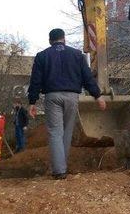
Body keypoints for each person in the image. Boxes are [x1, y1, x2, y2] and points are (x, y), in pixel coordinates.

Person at [28, 28, 106, 180]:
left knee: (55, 132)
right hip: (72, 97)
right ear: (64, 39)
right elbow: (87, 77)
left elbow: (35, 81)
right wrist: (98, 96)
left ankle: (59, 170)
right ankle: (62, 166)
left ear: (50, 41)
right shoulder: (77, 55)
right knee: (67, 131)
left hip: (52, 96)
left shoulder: (42, 56)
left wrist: (32, 102)